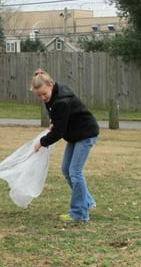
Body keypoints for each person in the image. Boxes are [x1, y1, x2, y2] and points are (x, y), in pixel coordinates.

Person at [31, 69, 99, 222]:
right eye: (39, 95)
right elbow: (60, 118)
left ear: (50, 85)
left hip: (86, 133)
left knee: (75, 172)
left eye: (44, 94)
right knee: (66, 169)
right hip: (75, 134)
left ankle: (79, 213)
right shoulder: (54, 96)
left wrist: (42, 143)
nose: (42, 98)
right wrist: (54, 122)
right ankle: (86, 202)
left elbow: (58, 132)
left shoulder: (61, 100)